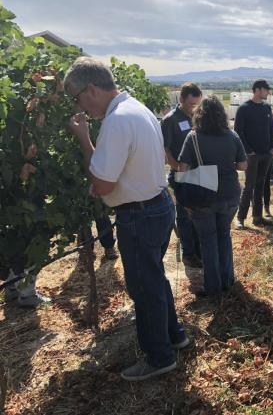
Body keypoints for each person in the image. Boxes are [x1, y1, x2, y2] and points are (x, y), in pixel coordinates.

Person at [66, 57, 187, 381]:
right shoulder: (138, 108)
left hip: (139, 216)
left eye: (78, 99)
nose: (81, 107)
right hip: (158, 205)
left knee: (144, 287)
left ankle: (159, 356)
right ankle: (174, 335)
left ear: (91, 89)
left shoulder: (117, 120)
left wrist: (83, 139)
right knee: (154, 277)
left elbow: (103, 182)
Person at [178, 96, 247, 297]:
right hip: (230, 195)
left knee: (207, 240)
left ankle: (213, 287)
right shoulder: (232, 135)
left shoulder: (193, 137)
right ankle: (228, 281)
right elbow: (243, 166)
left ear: (199, 114)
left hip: (203, 196)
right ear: (222, 115)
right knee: (224, 235)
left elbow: (183, 169)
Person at [161, 82, 203, 268]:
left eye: (197, 104)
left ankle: (199, 249)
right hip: (182, 174)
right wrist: (177, 167)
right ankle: (189, 254)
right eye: (191, 104)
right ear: (181, 99)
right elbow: (165, 149)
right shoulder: (170, 120)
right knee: (185, 216)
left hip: (200, 173)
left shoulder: (199, 117)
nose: (194, 108)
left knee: (200, 214)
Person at [234, 79, 273, 228]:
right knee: (249, 186)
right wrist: (248, 151)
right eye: (266, 90)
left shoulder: (266, 108)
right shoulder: (244, 108)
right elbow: (238, 132)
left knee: (260, 185)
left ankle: (257, 217)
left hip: (266, 154)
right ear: (258, 90)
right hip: (252, 156)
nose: (268, 92)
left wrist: (272, 148)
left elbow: (271, 129)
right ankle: (240, 218)